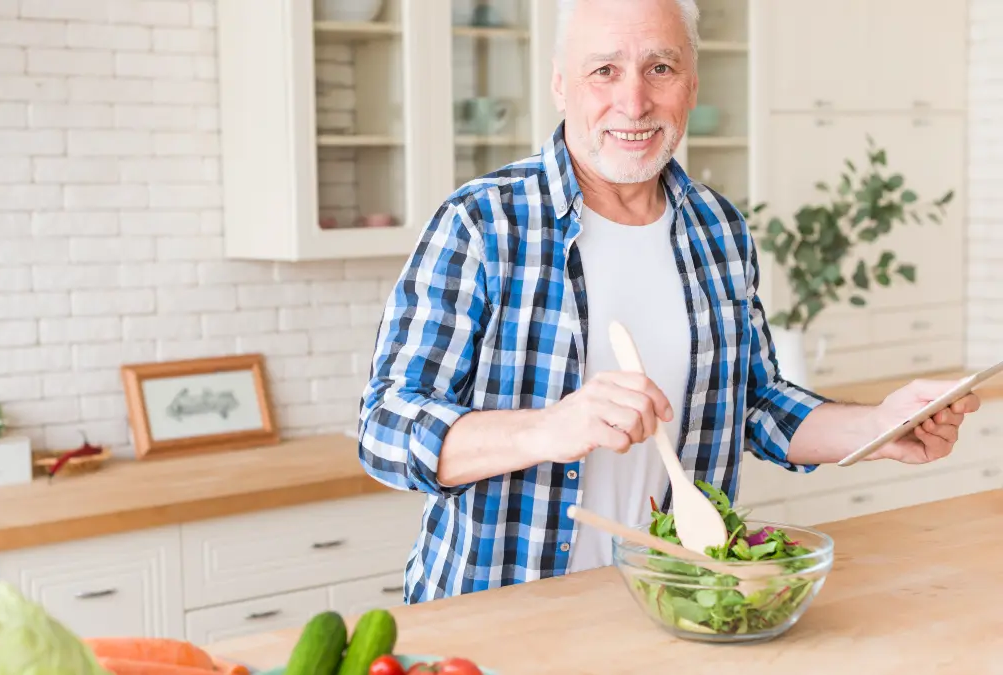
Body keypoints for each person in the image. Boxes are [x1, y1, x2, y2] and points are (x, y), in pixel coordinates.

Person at [356, 0, 982, 604]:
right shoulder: (482, 222)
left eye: (660, 67)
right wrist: (549, 428)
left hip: (669, 604)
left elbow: (753, 403)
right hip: (497, 611)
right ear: (559, 85)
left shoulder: (717, 228)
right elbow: (384, 428)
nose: (634, 101)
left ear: (690, 82)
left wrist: (878, 426)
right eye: (604, 70)